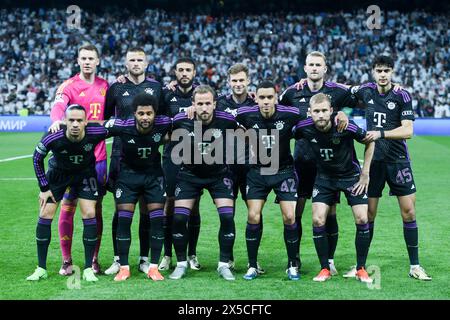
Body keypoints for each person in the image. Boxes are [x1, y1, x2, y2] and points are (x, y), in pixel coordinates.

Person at [346, 55, 432, 281]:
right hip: (373, 162)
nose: (382, 74)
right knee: (368, 214)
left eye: (386, 70)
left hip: (398, 162)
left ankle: (415, 265)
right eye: (379, 70)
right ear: (373, 72)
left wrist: (381, 133)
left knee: (409, 212)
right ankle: (360, 266)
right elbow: (342, 90)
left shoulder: (402, 95)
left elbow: (408, 131)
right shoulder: (366, 91)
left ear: (392, 72)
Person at [279, 51, 353, 274]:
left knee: (329, 214)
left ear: (325, 68)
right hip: (301, 162)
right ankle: (295, 260)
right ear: (304, 68)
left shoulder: (337, 92)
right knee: (296, 213)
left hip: (328, 166)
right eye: (310, 64)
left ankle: (329, 260)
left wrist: (345, 114)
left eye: (318, 65)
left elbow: (360, 100)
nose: (313, 68)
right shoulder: (291, 93)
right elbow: (276, 111)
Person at [293, 93, 374, 283]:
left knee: (363, 218)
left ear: (331, 111)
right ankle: (324, 268)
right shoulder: (303, 127)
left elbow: (370, 141)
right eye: (316, 111)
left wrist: (365, 173)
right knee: (317, 219)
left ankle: (361, 268)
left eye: (324, 111)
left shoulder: (345, 125)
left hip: (351, 177)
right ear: (310, 113)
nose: (320, 115)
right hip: (324, 179)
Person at [27, 105, 108, 282]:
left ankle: (88, 268)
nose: (75, 124)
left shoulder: (96, 131)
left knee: (89, 212)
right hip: (58, 175)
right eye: (71, 120)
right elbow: (36, 158)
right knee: (45, 213)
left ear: (86, 122)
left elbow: (120, 127)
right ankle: (41, 268)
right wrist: (44, 188)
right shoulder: (53, 135)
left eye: (79, 120)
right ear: (64, 121)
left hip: (85, 174)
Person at [103, 47, 165, 276]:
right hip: (121, 155)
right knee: (121, 210)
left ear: (147, 63)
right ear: (125, 63)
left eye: (140, 60)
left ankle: (144, 258)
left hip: (149, 156)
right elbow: (107, 117)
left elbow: (164, 117)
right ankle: (119, 259)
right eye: (132, 60)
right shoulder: (116, 87)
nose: (136, 63)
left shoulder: (157, 87)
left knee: (147, 211)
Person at [50, 43, 109, 275]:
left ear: (97, 61)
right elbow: (58, 106)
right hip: (72, 160)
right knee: (68, 206)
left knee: (95, 209)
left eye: (90, 58)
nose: (87, 61)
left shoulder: (106, 86)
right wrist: (56, 120)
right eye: (83, 58)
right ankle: (67, 260)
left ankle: (93, 259)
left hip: (98, 159)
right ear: (78, 60)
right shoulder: (69, 86)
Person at [169, 85, 237, 281]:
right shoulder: (181, 120)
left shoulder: (226, 120)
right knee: (180, 218)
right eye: (200, 104)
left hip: (218, 175)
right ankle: (181, 263)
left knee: (227, 217)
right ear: (193, 105)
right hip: (189, 175)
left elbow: (246, 130)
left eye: (208, 103)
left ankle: (224, 264)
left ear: (214, 104)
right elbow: (165, 132)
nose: (204, 107)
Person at [236, 81, 301, 281]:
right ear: (256, 98)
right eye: (262, 98)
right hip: (257, 173)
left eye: (269, 97)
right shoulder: (245, 114)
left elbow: (316, 116)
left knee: (290, 217)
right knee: (253, 216)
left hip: (284, 171)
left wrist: (339, 115)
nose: (266, 101)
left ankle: (292, 265)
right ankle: (252, 265)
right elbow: (223, 118)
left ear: (276, 97)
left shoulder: (290, 114)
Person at [158, 58, 202, 272]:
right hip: (172, 157)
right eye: (181, 70)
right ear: (175, 72)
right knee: (170, 205)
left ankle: (192, 254)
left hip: (197, 158)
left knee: (193, 207)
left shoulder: (202, 95)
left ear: (194, 72)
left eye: (188, 70)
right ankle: (167, 254)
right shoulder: (166, 95)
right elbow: (162, 129)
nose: (184, 73)